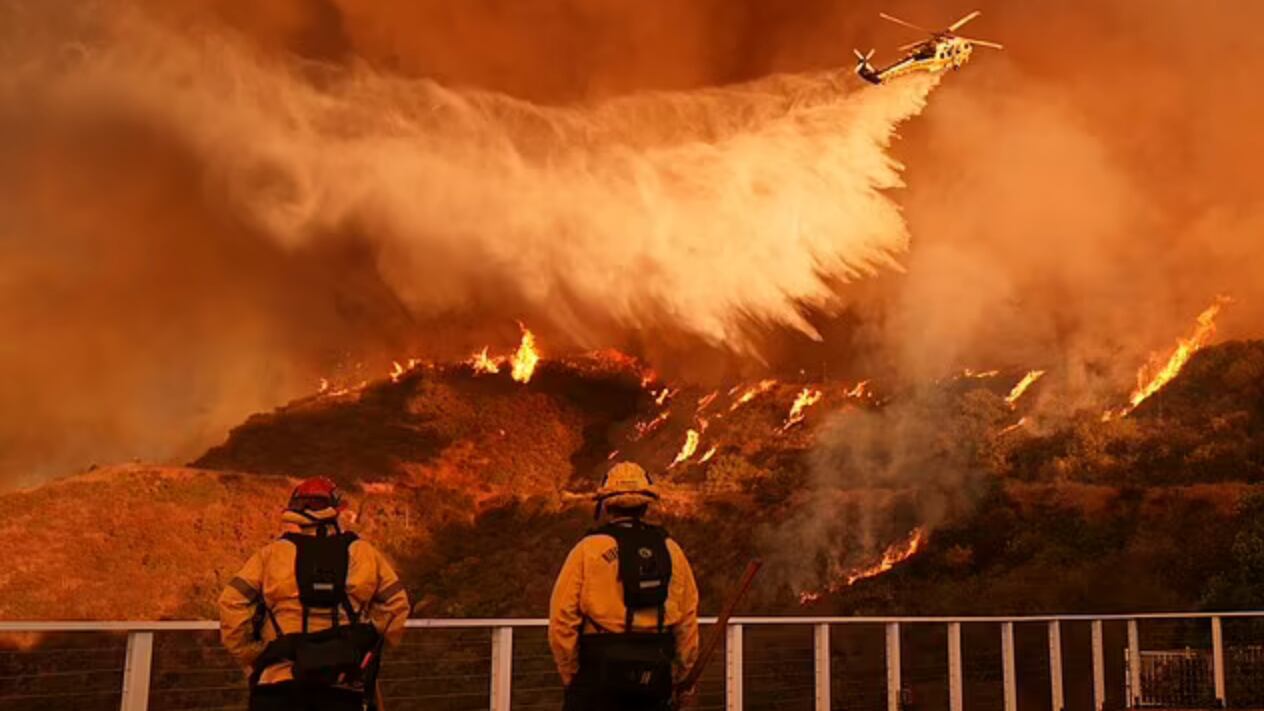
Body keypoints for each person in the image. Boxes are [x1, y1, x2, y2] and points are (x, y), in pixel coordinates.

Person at [219, 476, 410, 711]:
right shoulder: (364, 553)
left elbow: (231, 602)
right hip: (343, 684)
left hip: (278, 681)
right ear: (336, 510)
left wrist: (252, 654)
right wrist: (365, 646)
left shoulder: (270, 555)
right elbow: (396, 606)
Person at [549, 462, 701, 711]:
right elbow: (687, 620)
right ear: (646, 503)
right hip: (655, 675)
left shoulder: (588, 550)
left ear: (606, 505)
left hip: (597, 676)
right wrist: (684, 675)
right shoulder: (671, 549)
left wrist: (572, 676)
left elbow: (562, 620)